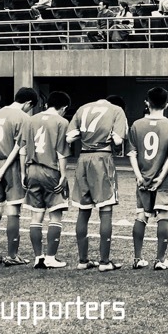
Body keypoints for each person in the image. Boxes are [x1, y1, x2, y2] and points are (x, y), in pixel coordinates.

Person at [66, 93, 129, 271]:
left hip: (83, 158)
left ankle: (82, 260)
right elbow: (118, 140)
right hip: (102, 158)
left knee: (83, 210)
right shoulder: (117, 111)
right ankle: (104, 262)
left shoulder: (83, 108)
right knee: (106, 208)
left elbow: (69, 137)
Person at [126, 86, 168, 271]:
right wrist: (161, 177)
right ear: (167, 104)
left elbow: (132, 153)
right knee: (163, 216)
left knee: (141, 215)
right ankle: (160, 260)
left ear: (146, 103)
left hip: (142, 176)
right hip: (164, 179)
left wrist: (138, 176)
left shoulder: (136, 125)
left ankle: (137, 258)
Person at [0, 87, 38, 266]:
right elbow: (19, 147)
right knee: (13, 210)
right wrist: (12, 171)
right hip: (11, 165)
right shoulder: (23, 118)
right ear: (28, 103)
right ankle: (13, 256)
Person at [21, 90, 72, 269]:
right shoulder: (62, 122)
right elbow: (61, 152)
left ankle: (38, 257)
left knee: (36, 215)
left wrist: (23, 172)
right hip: (50, 170)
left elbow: (23, 148)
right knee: (55, 215)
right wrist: (64, 174)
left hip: (31, 169)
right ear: (64, 108)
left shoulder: (31, 120)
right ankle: (50, 257)